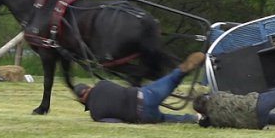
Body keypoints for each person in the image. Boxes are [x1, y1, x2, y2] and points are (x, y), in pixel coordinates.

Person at [73, 52, 206, 123]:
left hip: (140, 116)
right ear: (88, 88)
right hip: (143, 95)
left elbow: (115, 121)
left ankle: (197, 118)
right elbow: (118, 90)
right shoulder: (101, 85)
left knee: (165, 119)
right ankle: (182, 71)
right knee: (172, 79)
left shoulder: (95, 115)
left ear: (82, 101)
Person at [192, 77, 275, 130]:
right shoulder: (216, 97)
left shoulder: (212, 121)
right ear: (206, 98)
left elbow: (203, 123)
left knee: (266, 118)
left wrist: (202, 118)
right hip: (255, 105)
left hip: (255, 123)